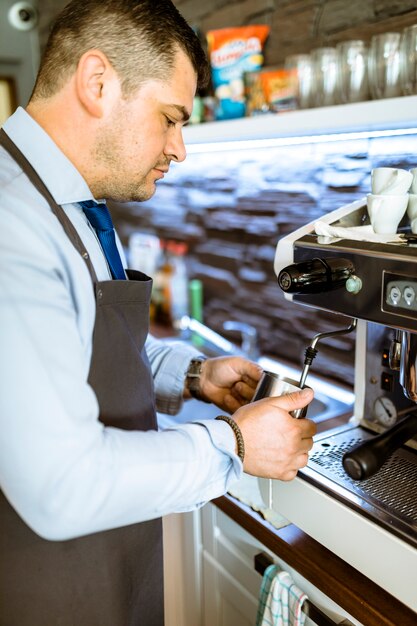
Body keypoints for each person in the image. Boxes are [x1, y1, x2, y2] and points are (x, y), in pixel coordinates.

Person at [0, 1, 316, 624]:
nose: (180, 149)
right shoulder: (12, 224)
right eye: (170, 119)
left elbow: (81, 347)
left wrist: (192, 375)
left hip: (106, 570)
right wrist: (234, 444)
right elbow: (62, 487)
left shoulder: (70, 200)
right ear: (97, 83)